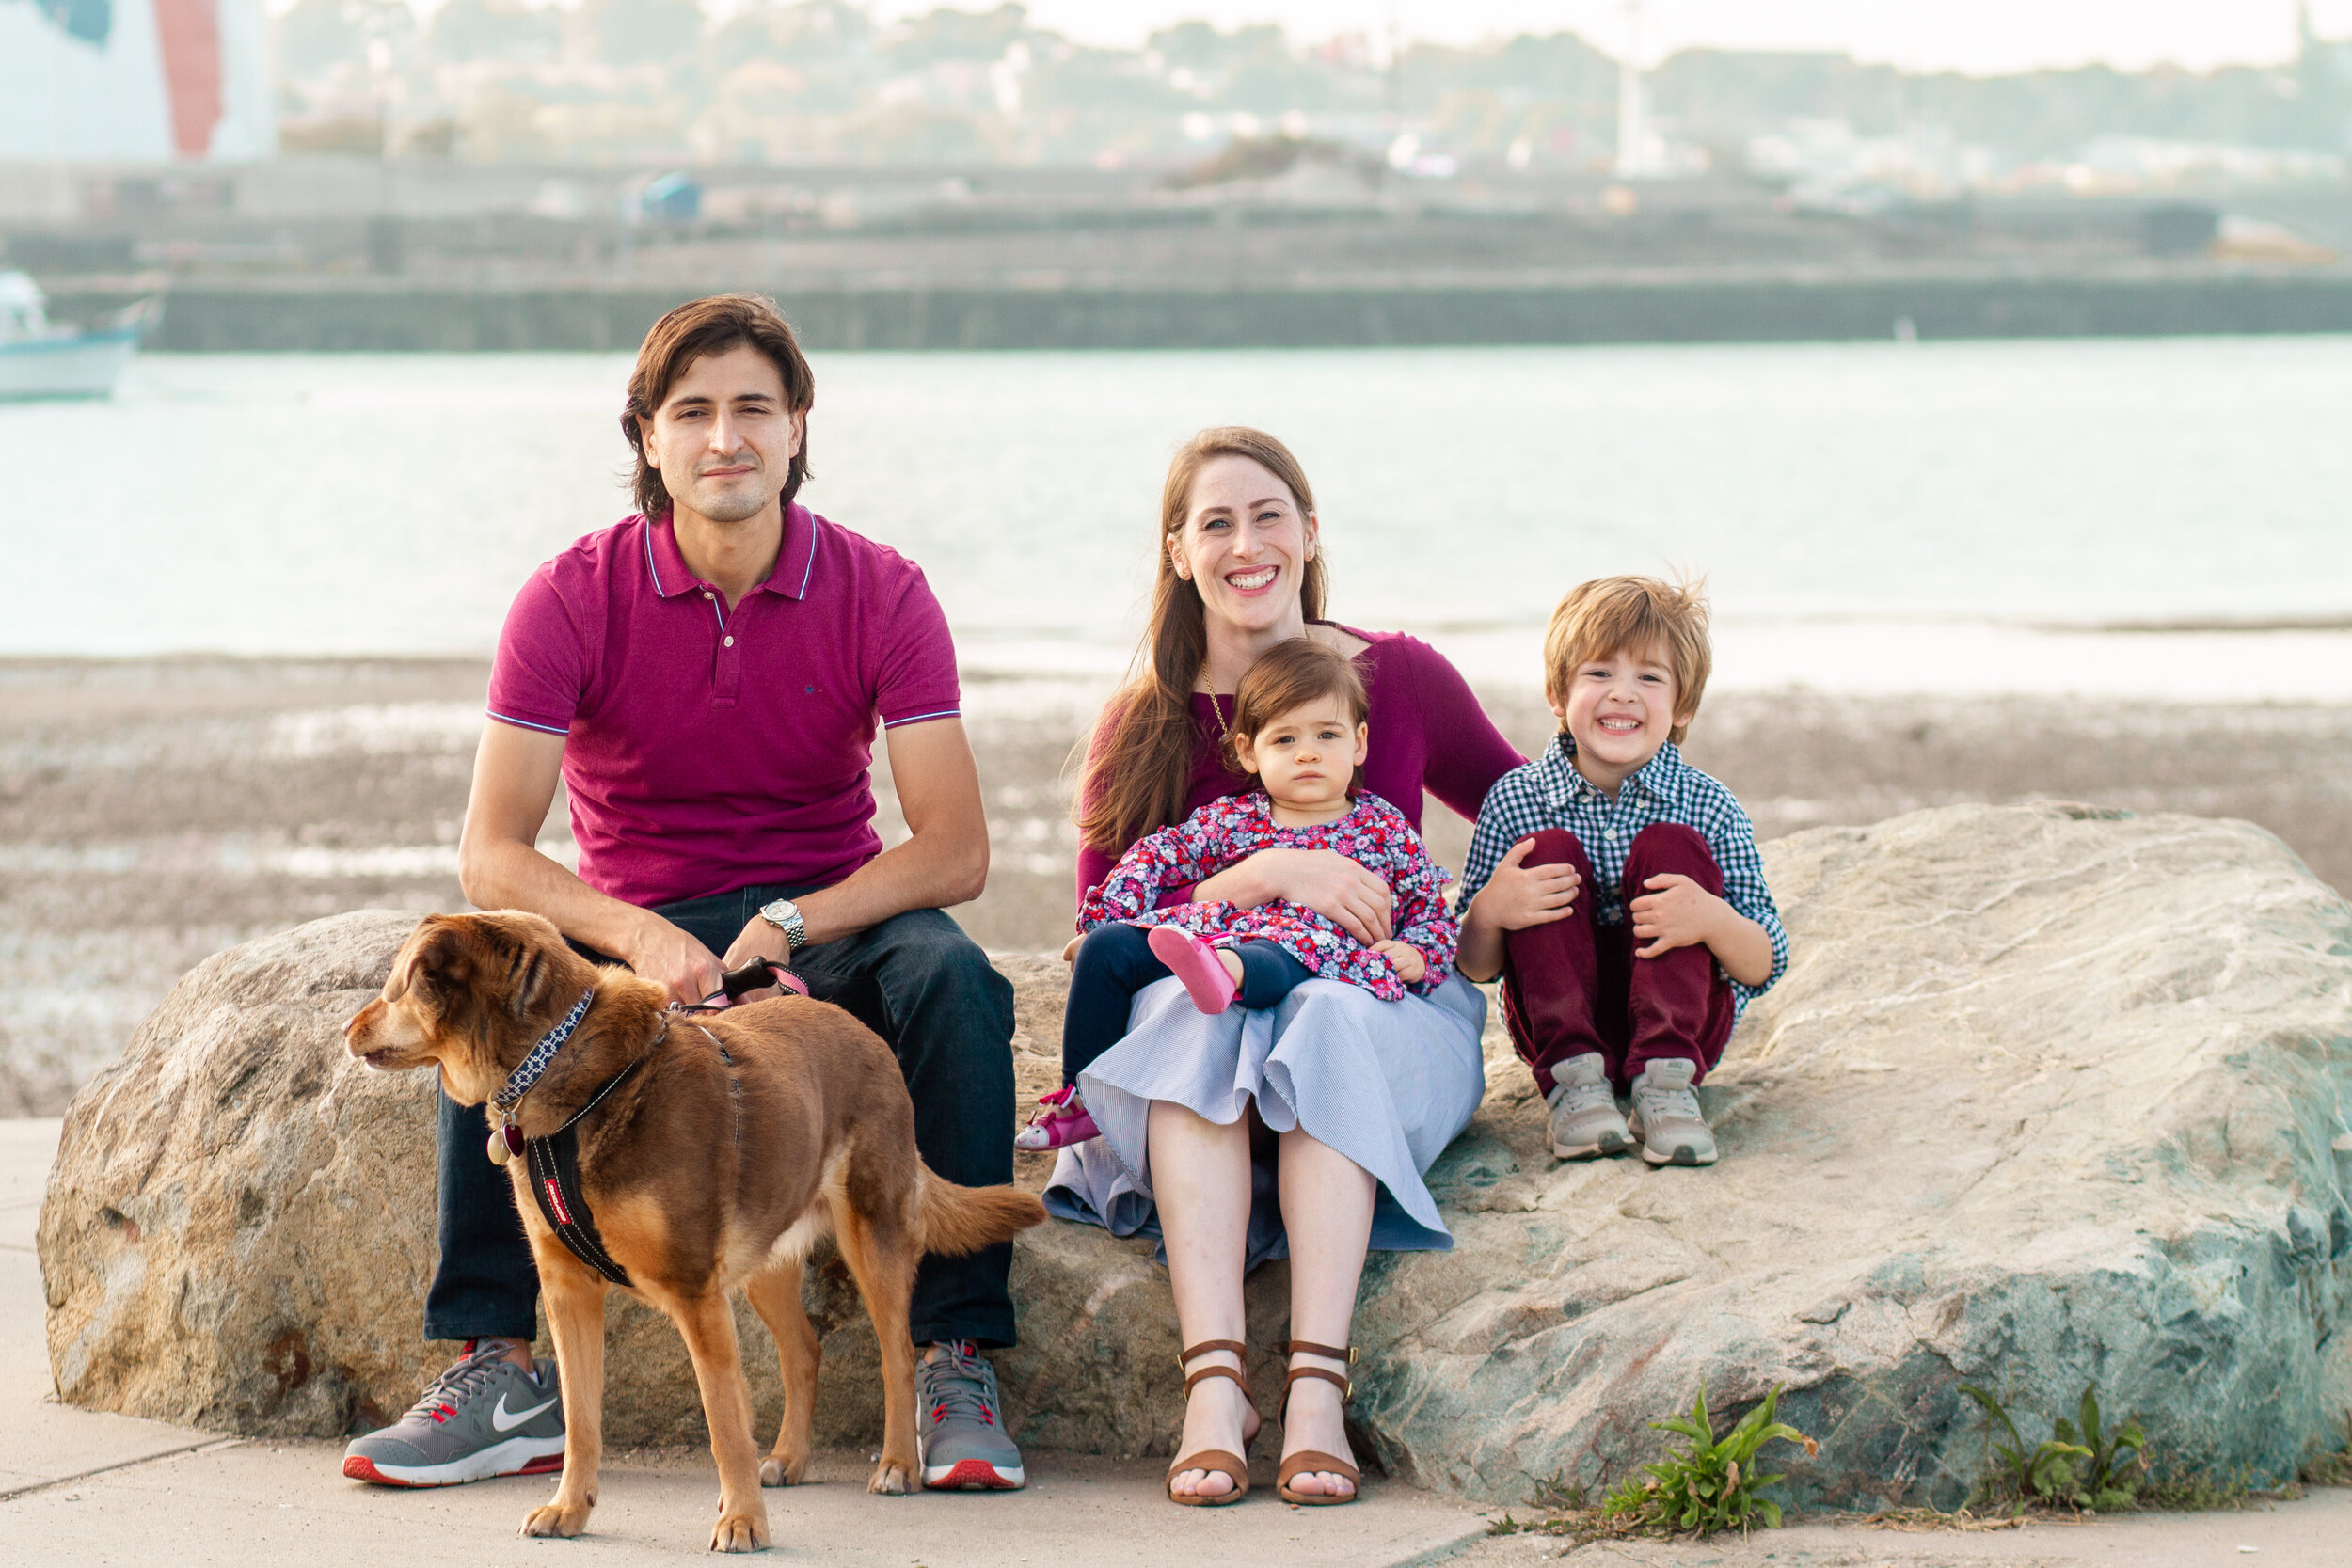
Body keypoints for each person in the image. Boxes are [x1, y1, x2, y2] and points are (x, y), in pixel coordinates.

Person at [341, 294, 1027, 1494]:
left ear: (799, 428)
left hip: (825, 913)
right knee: (484, 994)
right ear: (647, 438)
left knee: (951, 974)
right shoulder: (568, 596)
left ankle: (952, 1356)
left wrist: (803, 918)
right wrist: (642, 937)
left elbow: (956, 848)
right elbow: (493, 854)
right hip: (634, 923)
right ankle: (500, 1362)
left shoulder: (883, 590)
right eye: (693, 412)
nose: (726, 438)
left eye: (753, 409)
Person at [1041, 427, 1524, 1508]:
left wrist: (1502, 926)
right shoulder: (1146, 723)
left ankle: (1314, 1389)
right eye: (1216, 522)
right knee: (1199, 1016)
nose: (1246, 543)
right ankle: (1215, 1386)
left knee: (1324, 1018)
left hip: (1378, 1019)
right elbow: (1101, 931)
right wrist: (1268, 869)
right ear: (1176, 552)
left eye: (1269, 515)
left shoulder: (1394, 676)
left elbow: (1525, 807)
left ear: (1310, 532)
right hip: (1202, 1059)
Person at [1020, 639, 1457, 1151]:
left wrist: (1419, 953)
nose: (1309, 752)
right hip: (1210, 934)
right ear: (1249, 752)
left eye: (1327, 734)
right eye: (1285, 740)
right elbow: (1155, 856)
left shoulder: (1383, 827)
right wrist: (1108, 919)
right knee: (1106, 950)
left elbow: (1428, 905)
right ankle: (1080, 1095)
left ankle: (1226, 972)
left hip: (1310, 951)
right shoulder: (1233, 819)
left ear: (1359, 743)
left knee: (1281, 949)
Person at [1454, 576, 1788, 1168]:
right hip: (1562, 1033)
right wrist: (1489, 911)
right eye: (1599, 673)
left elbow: (1764, 963)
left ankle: (1665, 1091)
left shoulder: (1707, 804)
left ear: (1683, 705)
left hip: (1679, 1033)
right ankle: (1577, 1091)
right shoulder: (1515, 801)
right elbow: (1476, 966)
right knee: (1546, 852)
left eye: (1649, 677)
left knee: (1672, 847)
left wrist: (1710, 918)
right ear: (1558, 694)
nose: (1622, 694)